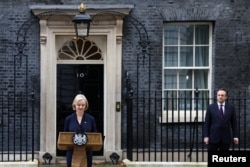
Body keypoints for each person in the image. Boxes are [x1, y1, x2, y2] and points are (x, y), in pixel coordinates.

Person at [64, 94, 97, 167]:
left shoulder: (91, 119)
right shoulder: (68, 119)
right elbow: (65, 136)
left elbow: (95, 135)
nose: (81, 107)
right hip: (72, 151)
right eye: (79, 105)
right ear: (74, 105)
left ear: (86, 106)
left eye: (83, 105)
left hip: (87, 151)